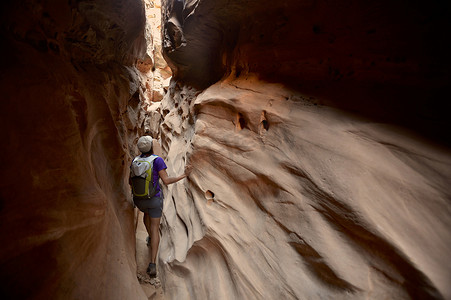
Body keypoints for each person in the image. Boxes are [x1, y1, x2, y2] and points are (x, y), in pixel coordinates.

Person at [130, 135, 192, 278]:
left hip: (139, 200)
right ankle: (152, 264)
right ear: (152, 147)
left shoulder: (135, 161)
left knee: (145, 215)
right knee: (154, 228)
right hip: (154, 200)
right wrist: (184, 175)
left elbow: (130, 181)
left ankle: (150, 238)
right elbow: (167, 180)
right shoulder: (157, 160)